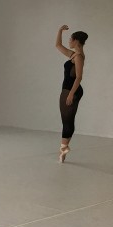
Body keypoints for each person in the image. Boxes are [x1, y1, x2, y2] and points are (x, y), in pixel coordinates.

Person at [55, 25, 88, 163]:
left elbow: (79, 77)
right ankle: (64, 150)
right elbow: (58, 45)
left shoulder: (78, 57)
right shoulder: (74, 54)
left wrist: (70, 94)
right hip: (70, 90)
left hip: (70, 90)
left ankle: (64, 148)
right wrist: (60, 31)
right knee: (68, 120)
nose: (69, 41)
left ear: (76, 41)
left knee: (66, 121)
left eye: (70, 39)